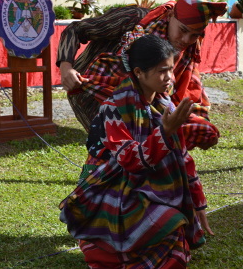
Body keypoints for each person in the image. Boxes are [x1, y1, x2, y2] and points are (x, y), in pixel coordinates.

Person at [59, 35, 213, 269]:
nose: (170, 78)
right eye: (163, 71)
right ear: (139, 72)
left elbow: (183, 156)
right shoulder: (113, 108)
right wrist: (165, 131)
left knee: (174, 229)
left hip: (149, 185)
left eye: (171, 69)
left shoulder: (165, 105)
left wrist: (198, 203)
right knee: (163, 224)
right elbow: (130, 160)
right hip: (112, 188)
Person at [57, 0, 227, 150]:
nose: (186, 39)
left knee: (148, 146)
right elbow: (75, 30)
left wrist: (198, 127)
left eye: (194, 35)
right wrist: (66, 67)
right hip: (89, 88)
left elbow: (186, 89)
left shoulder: (189, 49)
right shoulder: (133, 19)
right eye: (182, 30)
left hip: (140, 100)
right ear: (171, 14)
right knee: (116, 149)